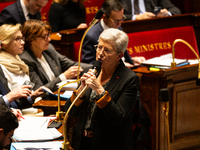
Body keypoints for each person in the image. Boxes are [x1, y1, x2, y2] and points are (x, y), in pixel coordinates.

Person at [65, 28, 139, 150]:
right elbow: (70, 111)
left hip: (110, 144)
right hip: (81, 142)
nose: (100, 53)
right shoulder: (94, 70)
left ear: (119, 56)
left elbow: (118, 117)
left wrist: (99, 90)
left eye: (107, 50)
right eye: (99, 47)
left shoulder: (129, 79)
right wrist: (81, 91)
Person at [19, 19, 91, 92]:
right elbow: (39, 90)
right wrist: (63, 77)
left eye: (48, 35)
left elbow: (72, 65)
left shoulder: (49, 49)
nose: (49, 39)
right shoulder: (26, 60)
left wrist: (96, 68)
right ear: (31, 39)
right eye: (44, 37)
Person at [81, 0, 146, 69]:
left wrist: (132, 60)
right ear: (104, 17)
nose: (119, 24)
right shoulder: (91, 35)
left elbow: (120, 56)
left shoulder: (118, 28)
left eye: (121, 19)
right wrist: (117, 66)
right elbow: (88, 65)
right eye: (116, 21)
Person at [0, 23, 46, 109]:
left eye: (22, 38)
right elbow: (10, 101)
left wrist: (32, 96)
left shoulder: (19, 62)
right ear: (5, 42)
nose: (23, 42)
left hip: (25, 109)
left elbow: (18, 101)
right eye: (17, 39)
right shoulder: (2, 66)